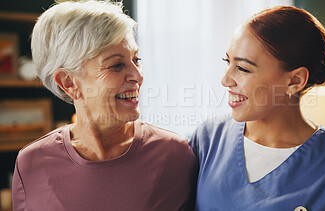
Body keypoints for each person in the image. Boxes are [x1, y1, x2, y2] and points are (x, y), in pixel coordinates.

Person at [189, 6, 325, 210]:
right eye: (227, 62)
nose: (225, 80)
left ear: (295, 81)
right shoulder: (209, 139)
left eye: (243, 68)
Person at [12, 1, 198, 210]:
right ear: (69, 83)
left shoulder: (175, 154)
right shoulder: (31, 163)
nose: (138, 76)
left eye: (136, 59)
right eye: (117, 65)